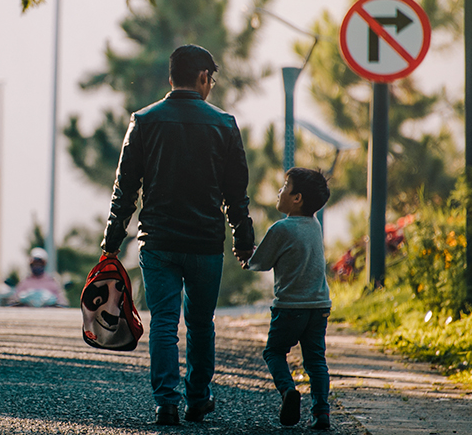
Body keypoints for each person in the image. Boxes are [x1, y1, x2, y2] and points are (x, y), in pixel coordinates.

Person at [100, 44, 255, 426]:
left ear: (171, 77)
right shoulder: (224, 124)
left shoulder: (144, 120)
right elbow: (236, 193)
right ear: (204, 77)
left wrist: (112, 241)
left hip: (159, 243)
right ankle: (198, 398)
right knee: (202, 324)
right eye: (211, 80)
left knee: (165, 323)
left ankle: (166, 402)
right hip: (205, 244)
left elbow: (125, 189)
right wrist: (243, 237)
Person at [240, 167, 332, 430]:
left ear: (297, 198)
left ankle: (288, 390)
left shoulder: (281, 228)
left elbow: (259, 263)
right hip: (319, 306)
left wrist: (247, 256)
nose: (280, 191)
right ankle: (321, 413)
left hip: (290, 306)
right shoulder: (315, 226)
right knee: (316, 361)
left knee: (274, 352)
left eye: (284, 186)